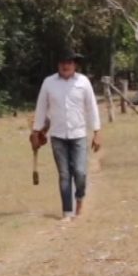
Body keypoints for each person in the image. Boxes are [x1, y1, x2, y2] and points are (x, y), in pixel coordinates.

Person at [32, 50, 102, 220]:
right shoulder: (49, 83)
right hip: (57, 135)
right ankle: (67, 212)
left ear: (75, 65)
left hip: (78, 134)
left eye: (69, 62)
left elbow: (92, 107)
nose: (66, 65)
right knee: (64, 174)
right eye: (63, 62)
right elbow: (41, 108)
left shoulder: (83, 82)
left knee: (80, 172)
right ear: (58, 65)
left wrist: (97, 131)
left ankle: (79, 199)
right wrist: (36, 131)